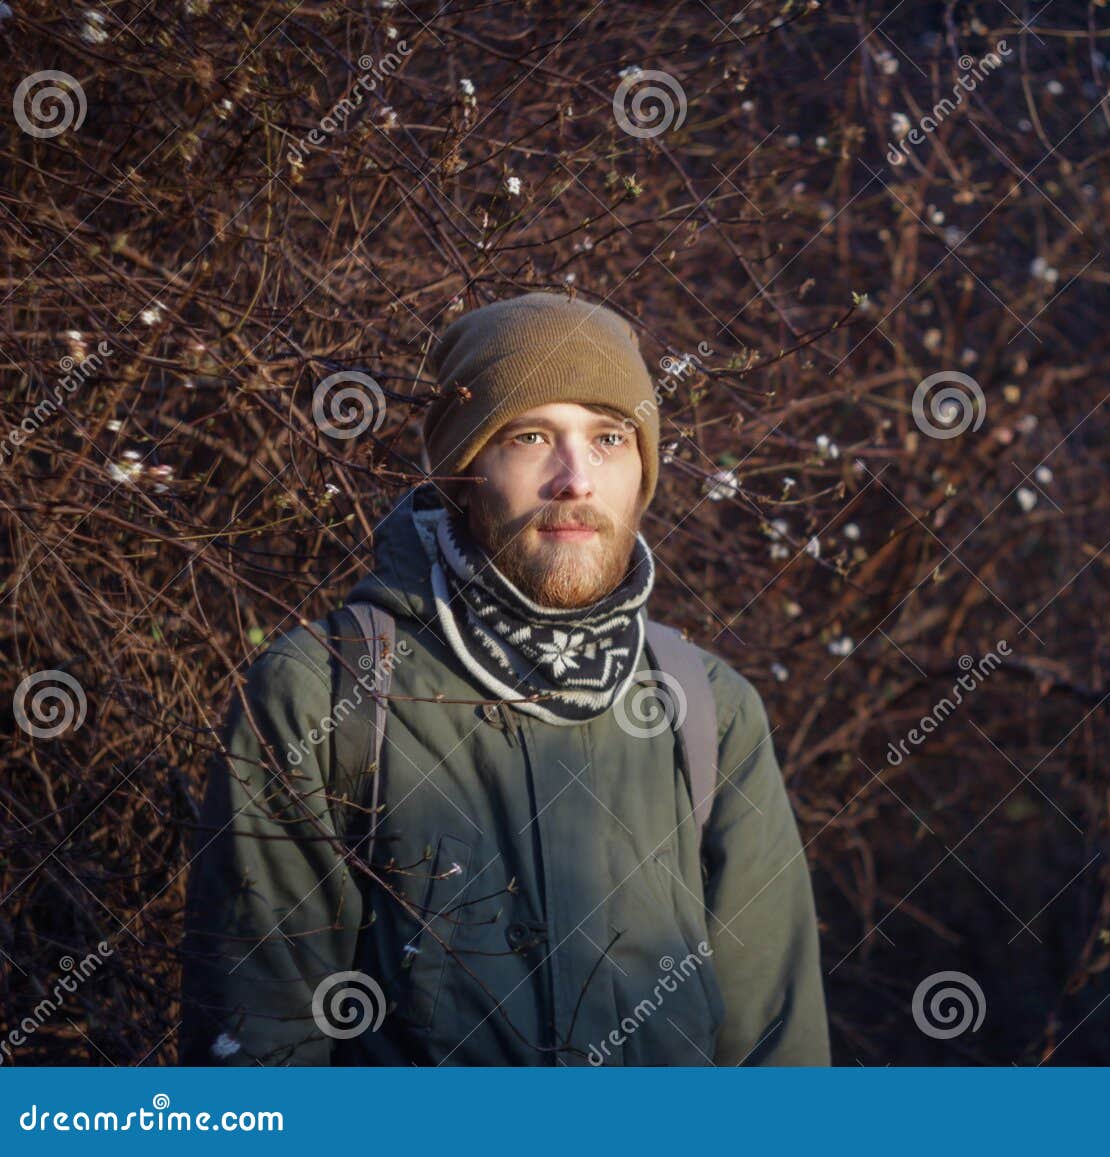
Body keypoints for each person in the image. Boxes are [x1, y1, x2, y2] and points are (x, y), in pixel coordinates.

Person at [178, 292, 830, 1066]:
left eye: (611, 437)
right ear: (465, 469)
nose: (575, 479)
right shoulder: (321, 697)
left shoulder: (707, 711)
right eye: (530, 436)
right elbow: (261, 1056)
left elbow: (776, 1057)